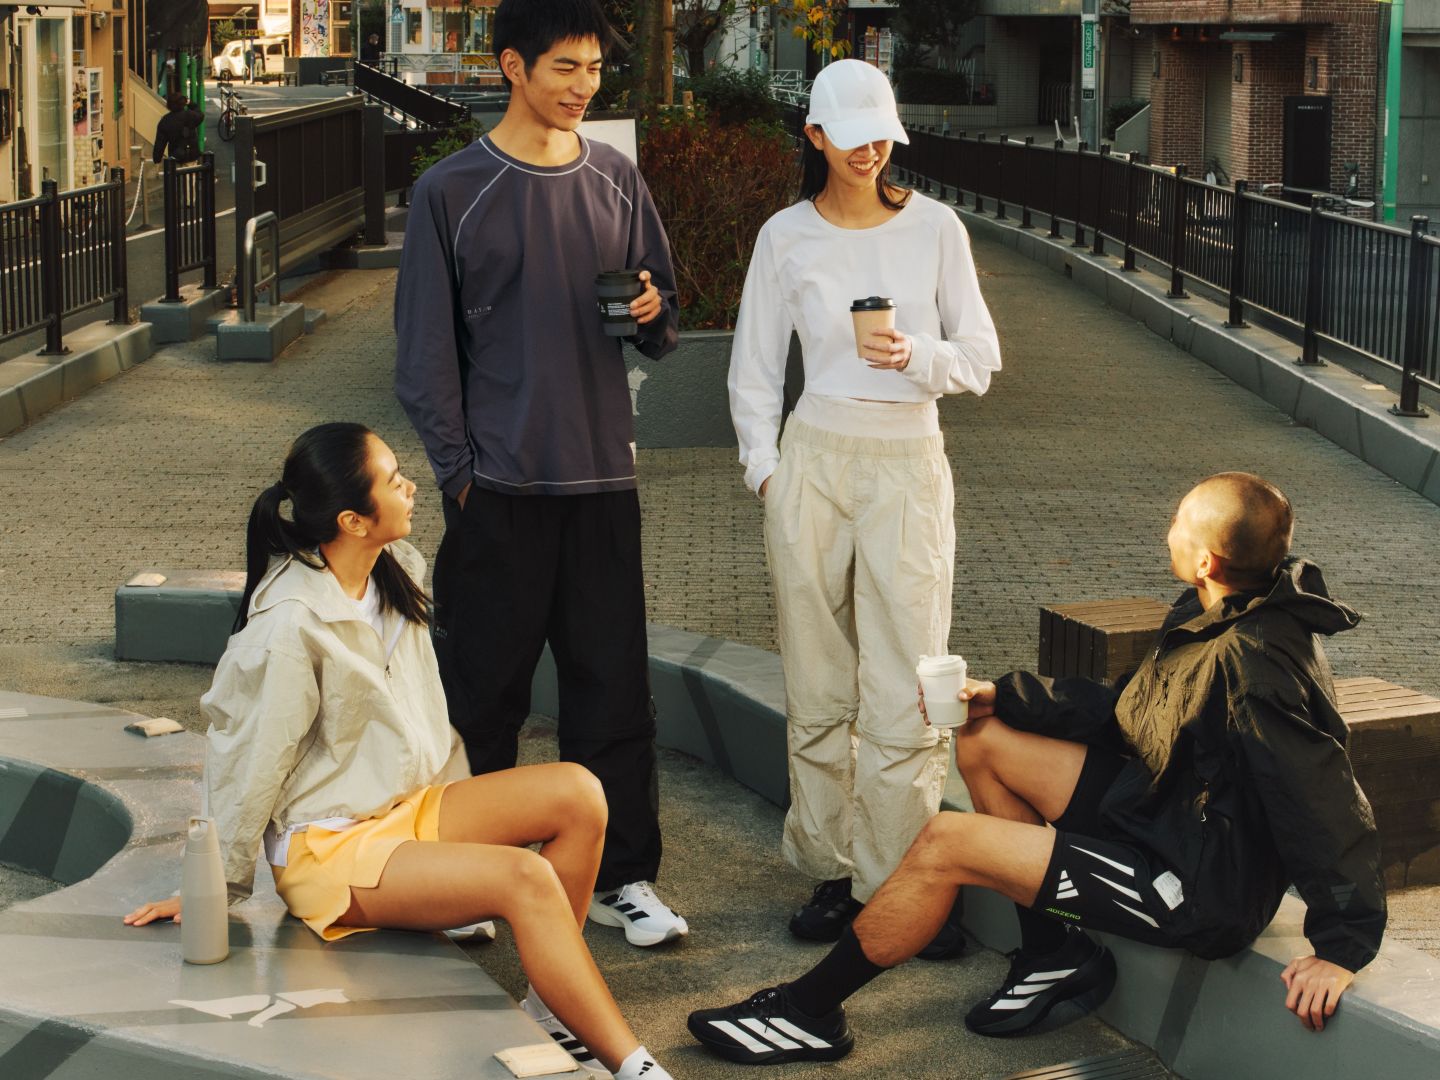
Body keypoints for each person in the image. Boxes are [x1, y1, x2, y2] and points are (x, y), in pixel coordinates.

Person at [688, 472, 1386, 1064]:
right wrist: (1008, 694)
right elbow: (1136, 711)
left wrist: (1343, 946)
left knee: (944, 845)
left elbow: (1322, 799)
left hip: (1196, 883)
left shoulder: (1253, 666)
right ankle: (1052, 951)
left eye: (1179, 523)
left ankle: (810, 1012)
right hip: (1163, 816)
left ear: (1205, 560)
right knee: (985, 737)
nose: (1167, 529)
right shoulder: (1221, 611)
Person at [124, 424, 676, 1080]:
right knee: (521, 878)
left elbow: (421, 723)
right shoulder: (289, 625)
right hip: (329, 850)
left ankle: (554, 1013)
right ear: (355, 519)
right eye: (393, 480)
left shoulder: (397, 573)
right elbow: (249, 755)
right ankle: (635, 1067)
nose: (410, 486)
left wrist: (453, 839)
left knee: (580, 792)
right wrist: (219, 881)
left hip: (402, 812)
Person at [394, 0, 686, 951]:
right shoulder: (453, 189)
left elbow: (662, 315)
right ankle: (468, 877)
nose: (583, 87)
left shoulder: (615, 176)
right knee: (480, 694)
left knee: (613, 692)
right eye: (565, 67)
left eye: (595, 70)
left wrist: (650, 306)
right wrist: (460, 476)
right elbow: (424, 353)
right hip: (502, 491)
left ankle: (622, 877)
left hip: (605, 480)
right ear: (512, 65)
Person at [727, 58, 1001, 949]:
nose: (869, 153)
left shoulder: (936, 229)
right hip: (813, 462)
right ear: (814, 137)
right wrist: (766, 472)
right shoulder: (785, 236)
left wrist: (915, 356)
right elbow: (757, 366)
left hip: (908, 464)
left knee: (908, 682)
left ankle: (903, 881)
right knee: (815, 680)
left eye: (881, 136)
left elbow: (980, 359)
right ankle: (835, 875)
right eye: (850, 139)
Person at [152, 93, 204, 166]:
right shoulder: (190, 115)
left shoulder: (165, 120)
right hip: (192, 156)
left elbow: (160, 142)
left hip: (176, 158)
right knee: (192, 175)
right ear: (183, 103)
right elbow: (200, 114)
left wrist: (157, 159)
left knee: (176, 176)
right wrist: (190, 103)